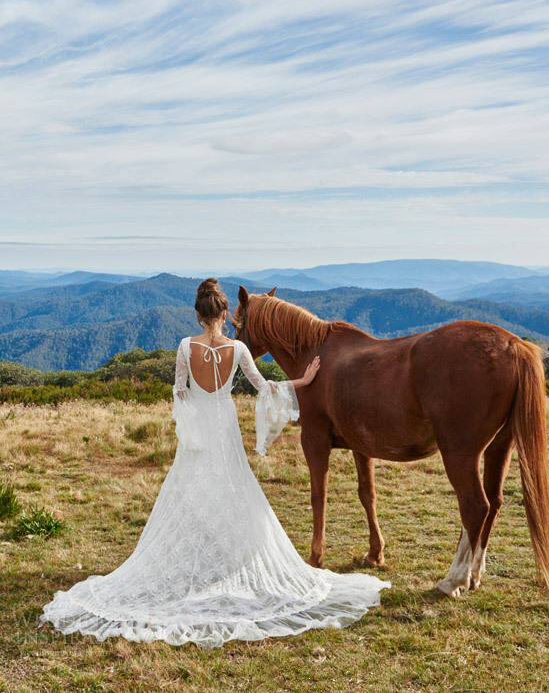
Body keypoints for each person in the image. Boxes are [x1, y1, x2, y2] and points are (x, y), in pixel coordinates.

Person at [39, 278, 389, 648]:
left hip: (199, 430)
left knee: (189, 487)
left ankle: (198, 554)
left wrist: (189, 421)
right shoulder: (238, 349)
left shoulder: (184, 347)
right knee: (233, 487)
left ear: (196, 315)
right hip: (225, 427)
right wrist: (304, 379)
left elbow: (179, 391)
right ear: (225, 314)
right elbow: (264, 387)